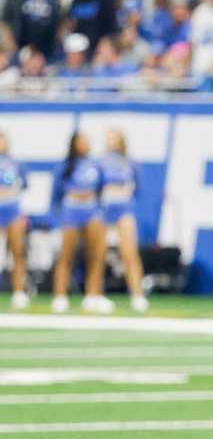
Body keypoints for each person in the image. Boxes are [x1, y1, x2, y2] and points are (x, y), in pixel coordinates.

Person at [51, 131, 111, 314]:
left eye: (87, 140)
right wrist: (56, 217)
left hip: (92, 209)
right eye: (81, 140)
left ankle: (93, 295)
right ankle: (60, 296)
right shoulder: (66, 166)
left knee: (96, 253)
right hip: (71, 209)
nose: (86, 143)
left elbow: (101, 188)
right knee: (66, 254)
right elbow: (56, 195)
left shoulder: (95, 165)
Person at [99, 129, 149, 313]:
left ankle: (137, 294)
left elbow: (137, 188)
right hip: (104, 209)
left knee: (129, 252)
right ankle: (96, 294)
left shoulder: (130, 163)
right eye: (108, 138)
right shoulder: (100, 162)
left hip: (124, 208)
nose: (110, 142)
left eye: (113, 138)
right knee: (99, 254)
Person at [0, 130, 30, 310]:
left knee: (17, 251)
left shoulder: (14, 163)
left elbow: (24, 184)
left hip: (12, 210)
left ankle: (19, 291)